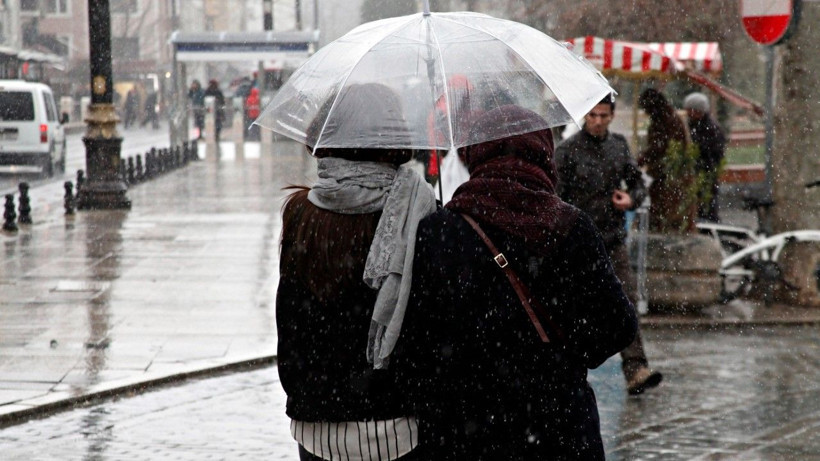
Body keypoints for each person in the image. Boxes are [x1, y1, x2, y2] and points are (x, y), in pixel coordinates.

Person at [392, 105, 638, 460]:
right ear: (544, 154)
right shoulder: (570, 226)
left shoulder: (440, 230)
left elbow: (416, 345)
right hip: (559, 428)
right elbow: (618, 326)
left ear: (475, 155)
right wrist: (565, 358)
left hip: (465, 433)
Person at [276, 83, 437, 461]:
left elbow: (291, 317)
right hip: (398, 425)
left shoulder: (301, 211)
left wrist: (307, 391)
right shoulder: (420, 211)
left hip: (319, 426)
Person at [555, 94, 664, 395]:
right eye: (592, 116)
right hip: (577, 244)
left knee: (625, 303)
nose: (598, 121)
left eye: (603, 116)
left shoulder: (618, 146)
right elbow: (555, 196)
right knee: (572, 308)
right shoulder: (566, 152)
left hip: (613, 240)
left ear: (612, 116)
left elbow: (638, 183)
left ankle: (635, 368)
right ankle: (567, 370)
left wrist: (632, 200)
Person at [637, 88, 695, 233]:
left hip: (667, 176)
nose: (645, 112)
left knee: (665, 210)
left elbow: (659, 148)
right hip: (664, 174)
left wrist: (641, 159)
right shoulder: (667, 119)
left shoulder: (666, 121)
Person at [684, 92, 726, 222]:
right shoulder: (693, 125)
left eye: (691, 110)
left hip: (706, 173)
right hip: (699, 173)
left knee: (707, 205)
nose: (689, 113)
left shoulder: (710, 129)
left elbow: (712, 152)